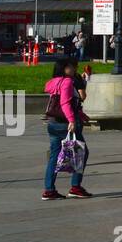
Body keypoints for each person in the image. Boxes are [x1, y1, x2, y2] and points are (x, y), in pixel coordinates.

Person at [43, 58, 91, 200]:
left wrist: (80, 114)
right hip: (65, 124)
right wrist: (72, 119)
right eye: (72, 67)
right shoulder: (67, 82)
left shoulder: (54, 82)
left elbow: (61, 102)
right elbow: (64, 103)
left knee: (54, 156)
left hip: (52, 123)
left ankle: (49, 190)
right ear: (64, 68)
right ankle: (75, 187)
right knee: (81, 152)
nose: (74, 69)